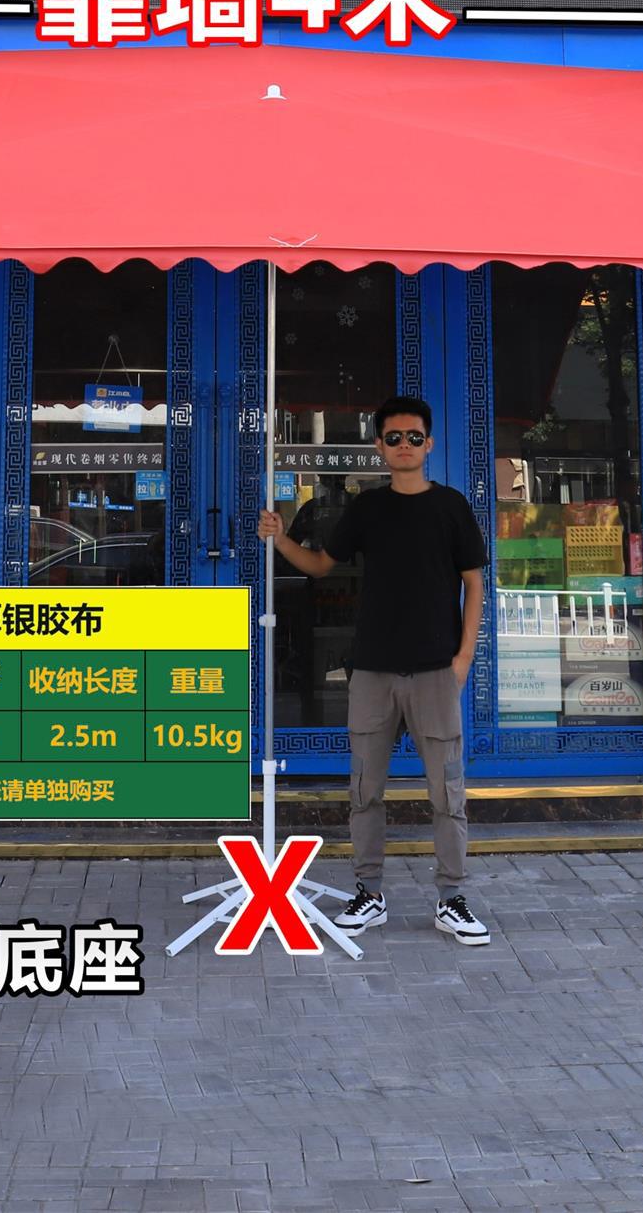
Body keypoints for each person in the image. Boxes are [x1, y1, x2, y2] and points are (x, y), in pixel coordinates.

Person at [257, 396, 491, 945]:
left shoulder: (451, 506)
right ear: (379, 446)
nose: (404, 445)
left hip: (435, 670)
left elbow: (474, 583)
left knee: (447, 792)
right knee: (365, 790)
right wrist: (280, 537)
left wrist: (463, 658)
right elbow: (321, 565)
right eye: (394, 438)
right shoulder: (367, 508)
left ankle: (452, 898)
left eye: (414, 437)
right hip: (371, 671)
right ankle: (369, 893)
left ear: (429, 444)